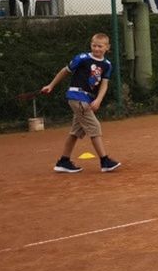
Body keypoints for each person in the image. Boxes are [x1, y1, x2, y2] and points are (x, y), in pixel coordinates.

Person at [41, 32, 120, 173]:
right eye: (94, 45)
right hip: (77, 96)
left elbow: (104, 84)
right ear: (91, 45)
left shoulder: (107, 65)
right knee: (95, 127)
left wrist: (98, 99)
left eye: (100, 46)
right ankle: (105, 161)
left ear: (107, 47)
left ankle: (63, 161)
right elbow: (65, 71)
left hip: (88, 98)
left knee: (75, 132)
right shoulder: (82, 58)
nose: (96, 49)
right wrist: (51, 85)